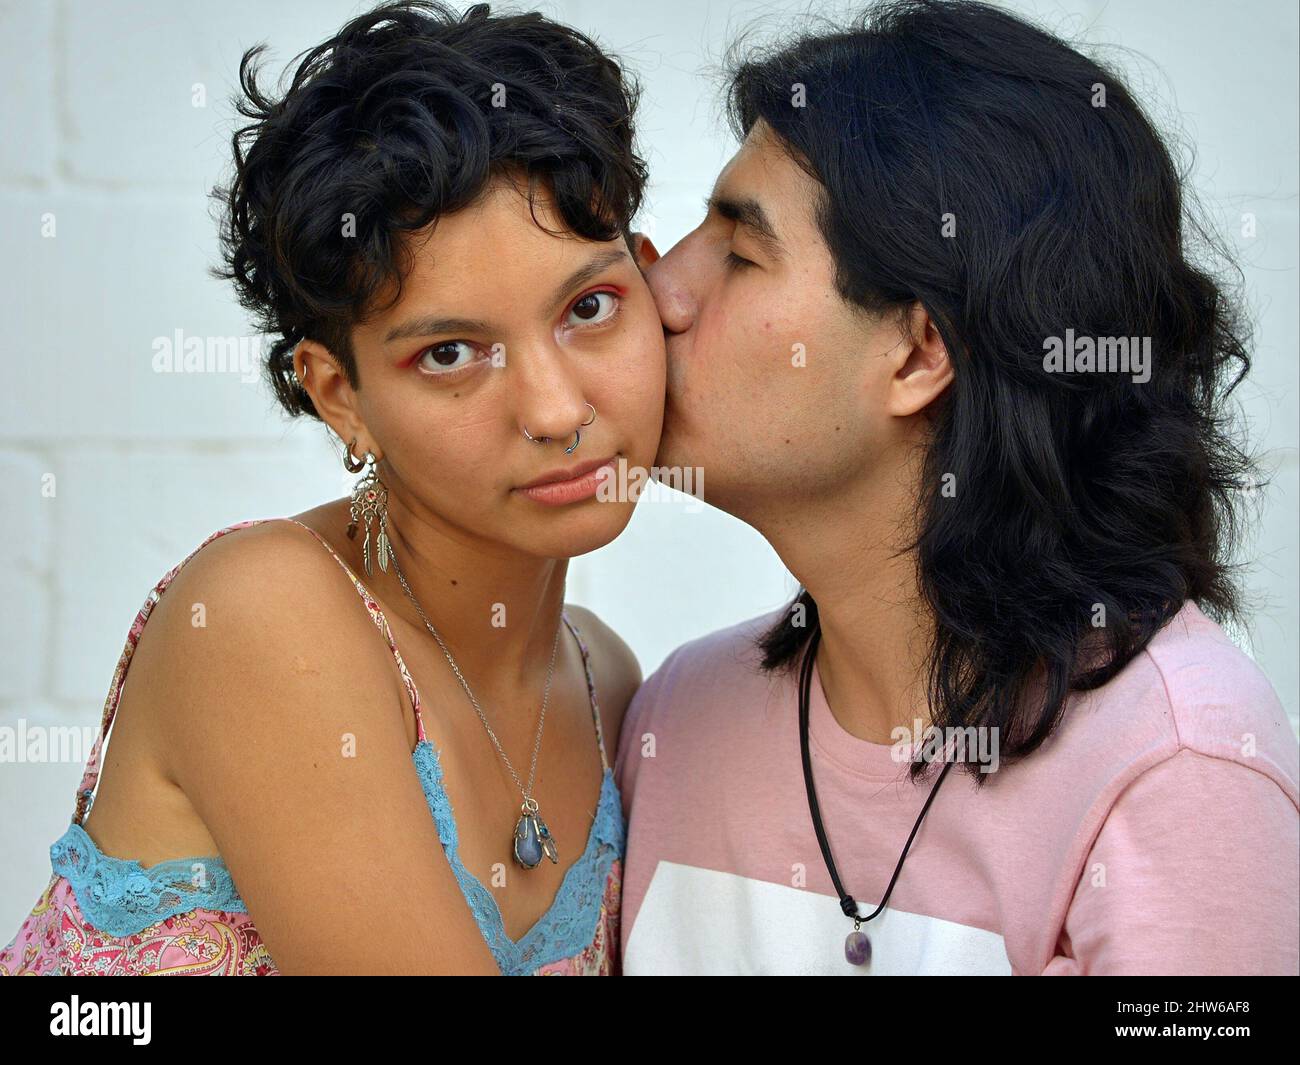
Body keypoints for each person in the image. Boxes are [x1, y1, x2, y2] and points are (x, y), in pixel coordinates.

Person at [616, 0, 1300, 975]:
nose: (662, 292)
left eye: (738, 250)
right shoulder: (673, 720)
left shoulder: (1175, 772)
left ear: (917, 353)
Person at [1, 0, 663, 975]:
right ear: (338, 394)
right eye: (449, 353)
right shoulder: (266, 615)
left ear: (651, 286)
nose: (556, 408)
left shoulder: (608, 682)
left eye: (589, 307)